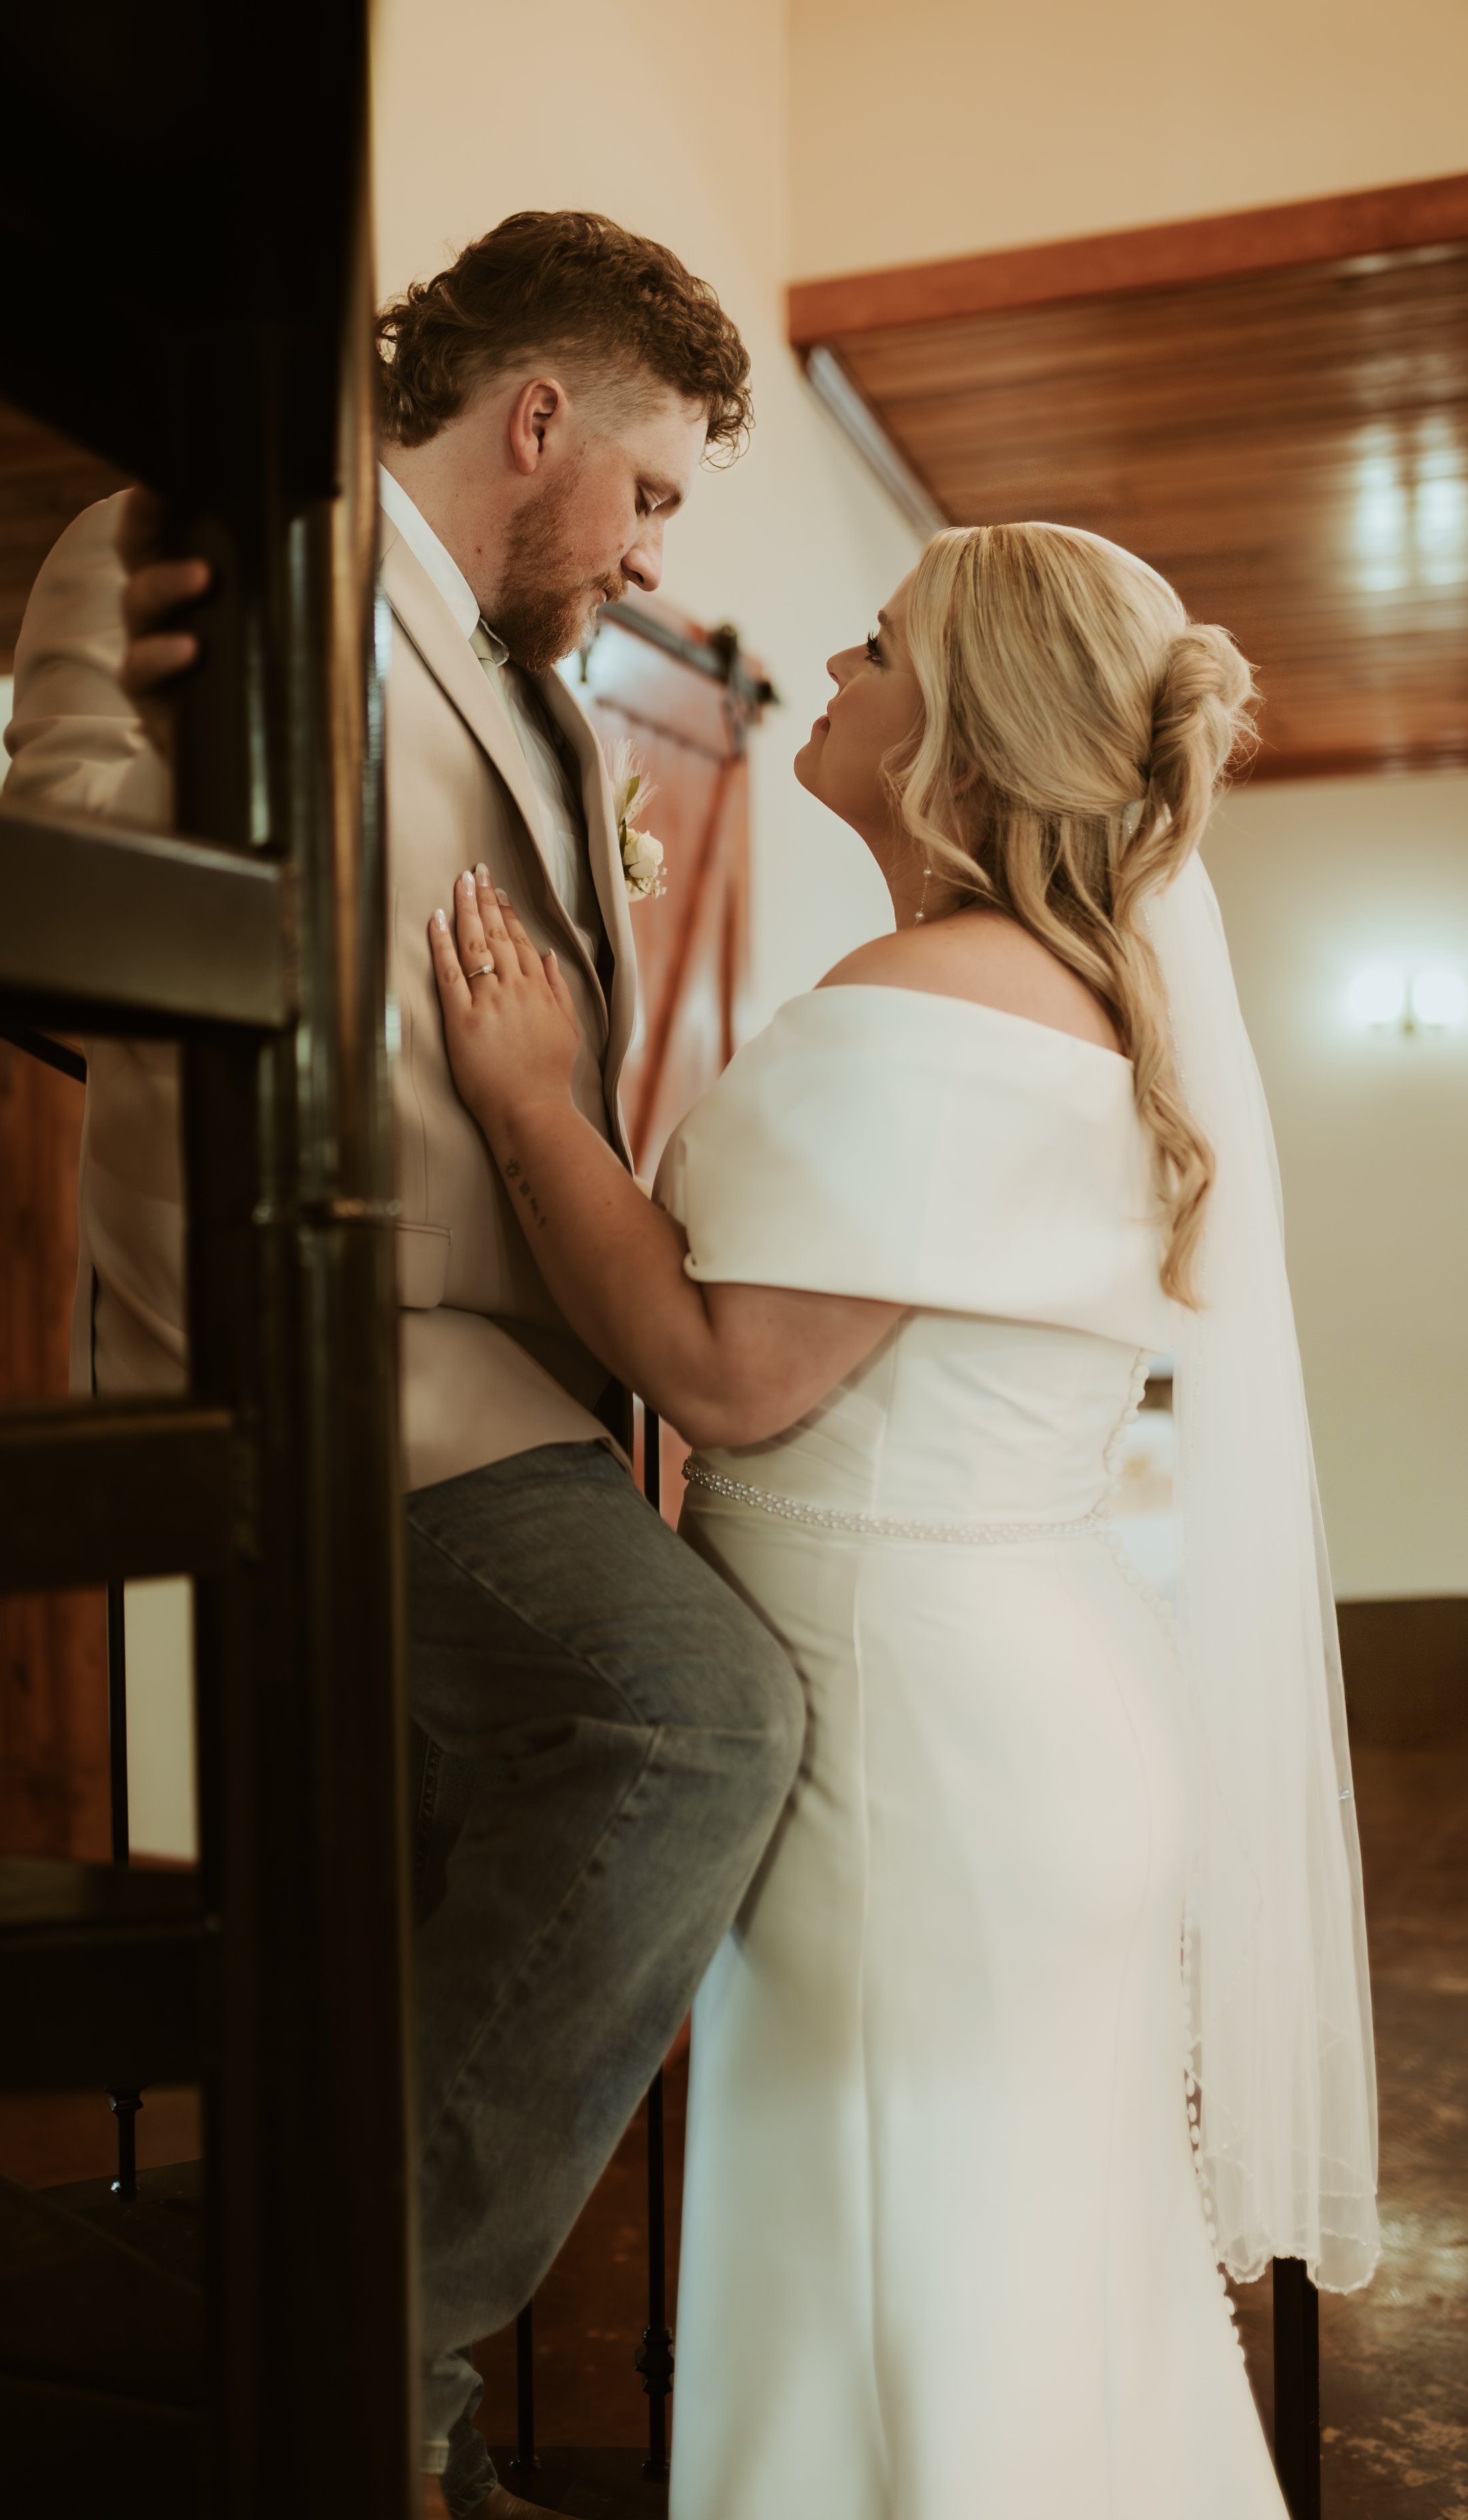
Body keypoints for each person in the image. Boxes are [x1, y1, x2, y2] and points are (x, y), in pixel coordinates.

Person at [425, 519, 1382, 2517]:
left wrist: (530, 1106)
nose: (837, 673)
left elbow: (726, 1375)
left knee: (895, 2275)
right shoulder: (1051, 995)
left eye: (875, 647)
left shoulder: (943, 996)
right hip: (1006, 1702)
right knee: (1008, 2282)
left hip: (928, 1744)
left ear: (958, 721)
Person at [3, 210, 805, 2520]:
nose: (651, 550)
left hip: (514, 1374)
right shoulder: (192, 548)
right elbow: (72, 888)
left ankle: (391, 2442)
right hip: (323, 1334)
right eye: (648, 490)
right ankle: (332, 2348)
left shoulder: (540, 688)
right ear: (534, 417)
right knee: (692, 1716)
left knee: (414, 1916)